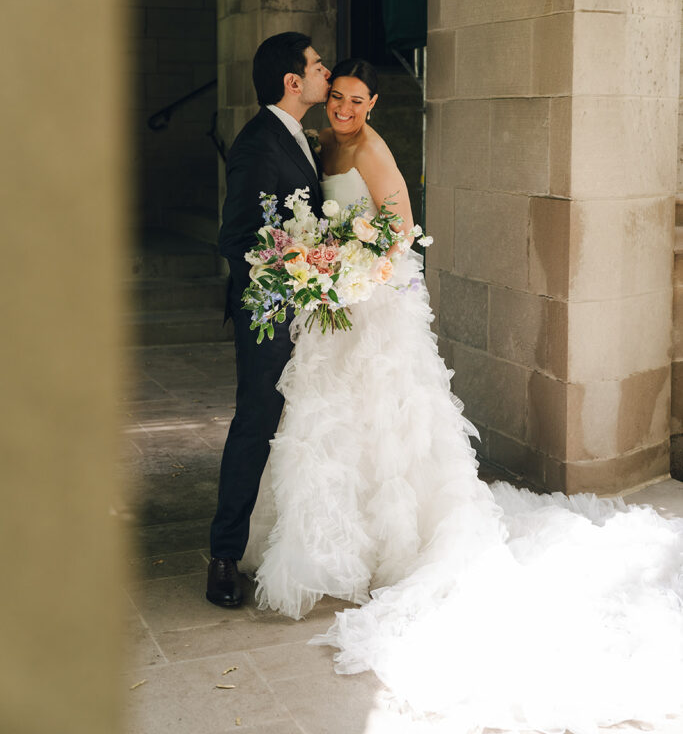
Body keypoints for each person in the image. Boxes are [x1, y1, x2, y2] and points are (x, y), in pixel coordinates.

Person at [239, 58, 683, 733]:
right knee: (327, 427)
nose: (345, 111)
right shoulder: (320, 144)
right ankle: (334, 544)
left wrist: (351, 277)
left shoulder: (373, 149)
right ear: (324, 98)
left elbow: (397, 236)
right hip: (331, 311)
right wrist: (320, 271)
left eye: (357, 101)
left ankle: (397, 543)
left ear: (373, 102)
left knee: (388, 426)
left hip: (373, 308)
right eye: (337, 99)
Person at [206, 31, 330, 608]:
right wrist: (291, 278)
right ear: (292, 81)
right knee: (255, 421)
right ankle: (224, 555)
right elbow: (237, 239)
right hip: (268, 314)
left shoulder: (300, 137)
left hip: (305, 310)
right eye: (317, 65)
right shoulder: (258, 143)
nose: (324, 72)